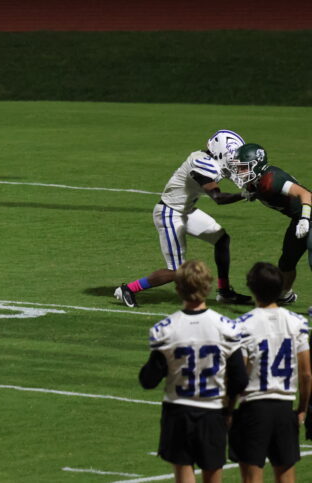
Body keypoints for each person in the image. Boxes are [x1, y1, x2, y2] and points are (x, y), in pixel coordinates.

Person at [138, 259, 247, 483]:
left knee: (183, 473)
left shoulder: (166, 329)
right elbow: (240, 379)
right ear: (208, 286)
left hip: (178, 412)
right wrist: (228, 409)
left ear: (178, 288)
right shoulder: (226, 327)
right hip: (213, 411)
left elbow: (148, 380)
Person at [116, 130, 251, 308]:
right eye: (232, 158)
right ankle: (128, 289)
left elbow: (237, 174)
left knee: (222, 239)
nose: (234, 162)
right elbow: (218, 198)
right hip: (169, 213)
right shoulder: (202, 164)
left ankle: (224, 292)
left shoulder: (212, 160)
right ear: (220, 153)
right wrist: (244, 195)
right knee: (177, 271)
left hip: (185, 211)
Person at [230, 262, 310, 483]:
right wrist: (302, 409)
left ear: (252, 288)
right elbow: (306, 374)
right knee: (286, 477)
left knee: (252, 477)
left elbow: (238, 375)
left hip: (253, 408)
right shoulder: (297, 322)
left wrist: (228, 409)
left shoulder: (242, 325)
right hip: (285, 408)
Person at [228, 143, 312, 306]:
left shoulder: (272, 179)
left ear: (257, 164)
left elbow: (305, 194)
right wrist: (254, 194)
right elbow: (261, 191)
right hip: (298, 218)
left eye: (243, 167)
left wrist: (305, 219)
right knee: (287, 261)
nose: (239, 172)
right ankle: (285, 295)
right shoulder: (256, 182)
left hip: (307, 215)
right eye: (238, 168)